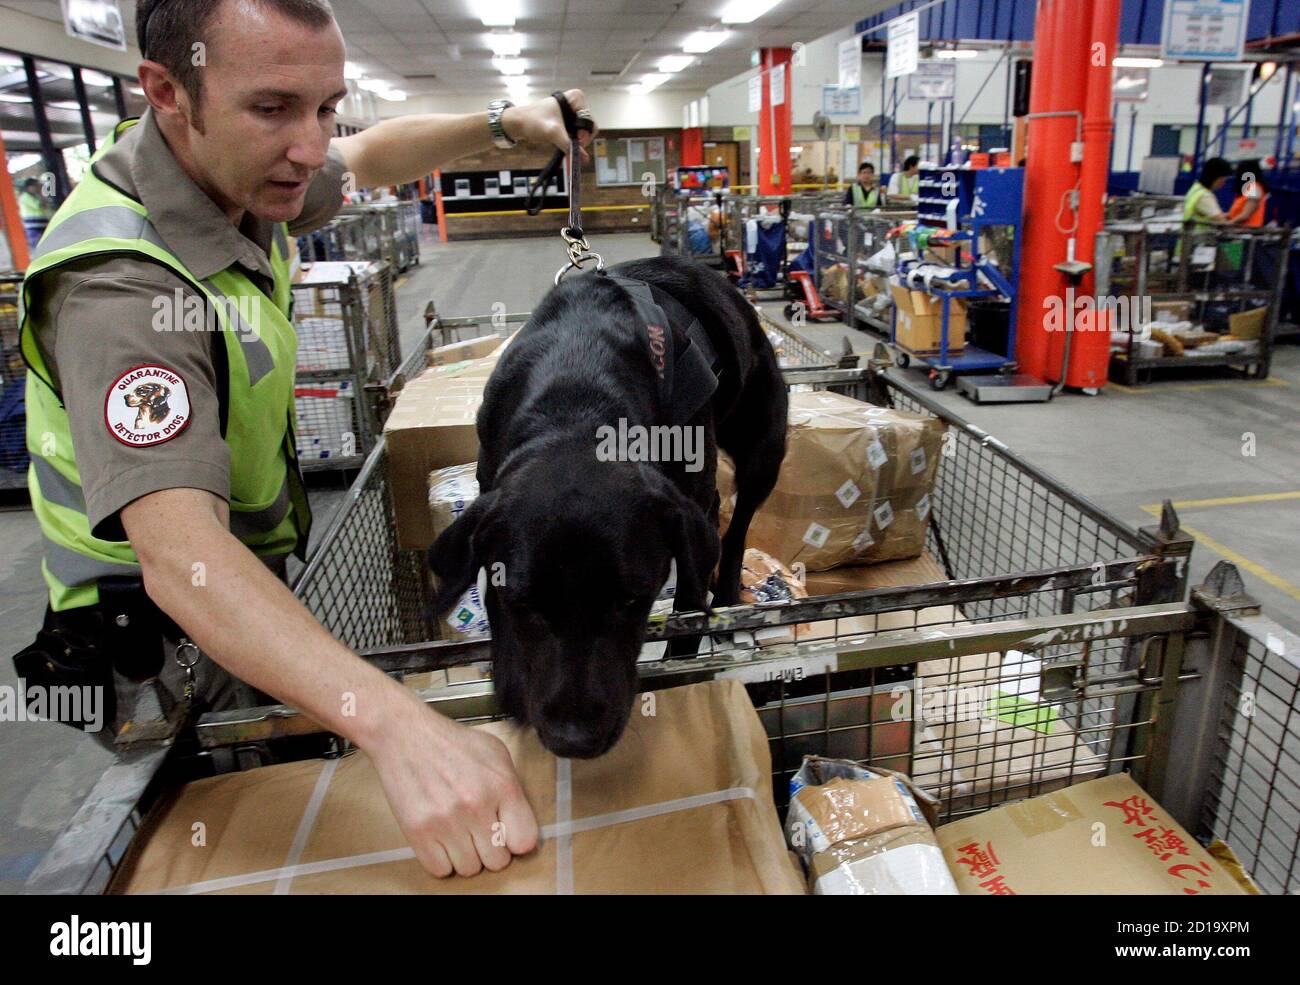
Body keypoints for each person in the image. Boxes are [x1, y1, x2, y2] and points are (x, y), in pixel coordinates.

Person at [16, 0, 596, 880]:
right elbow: (182, 558)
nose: (313, 144)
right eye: (274, 107)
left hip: (240, 583)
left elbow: (367, 158)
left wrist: (498, 125)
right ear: (168, 91)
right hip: (155, 636)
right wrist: (399, 725)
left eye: (326, 106)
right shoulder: (122, 293)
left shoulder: (243, 178)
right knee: (235, 835)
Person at [1182, 156, 1234, 227]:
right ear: (1216, 177)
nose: (1223, 183)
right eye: (1223, 179)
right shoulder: (1205, 196)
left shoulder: (1196, 188)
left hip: (1189, 236)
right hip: (1201, 237)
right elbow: (1222, 222)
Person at [1226, 162, 1268, 227]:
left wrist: (1228, 224)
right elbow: (1236, 212)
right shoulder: (1247, 189)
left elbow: (1245, 215)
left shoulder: (1254, 188)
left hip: (1248, 231)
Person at [18, 176, 52, 247]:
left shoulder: (35, 196)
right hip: (34, 228)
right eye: (36, 186)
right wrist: (41, 193)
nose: (37, 188)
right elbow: (40, 205)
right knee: (40, 247)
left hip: (41, 225)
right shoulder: (25, 197)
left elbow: (45, 205)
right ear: (29, 187)